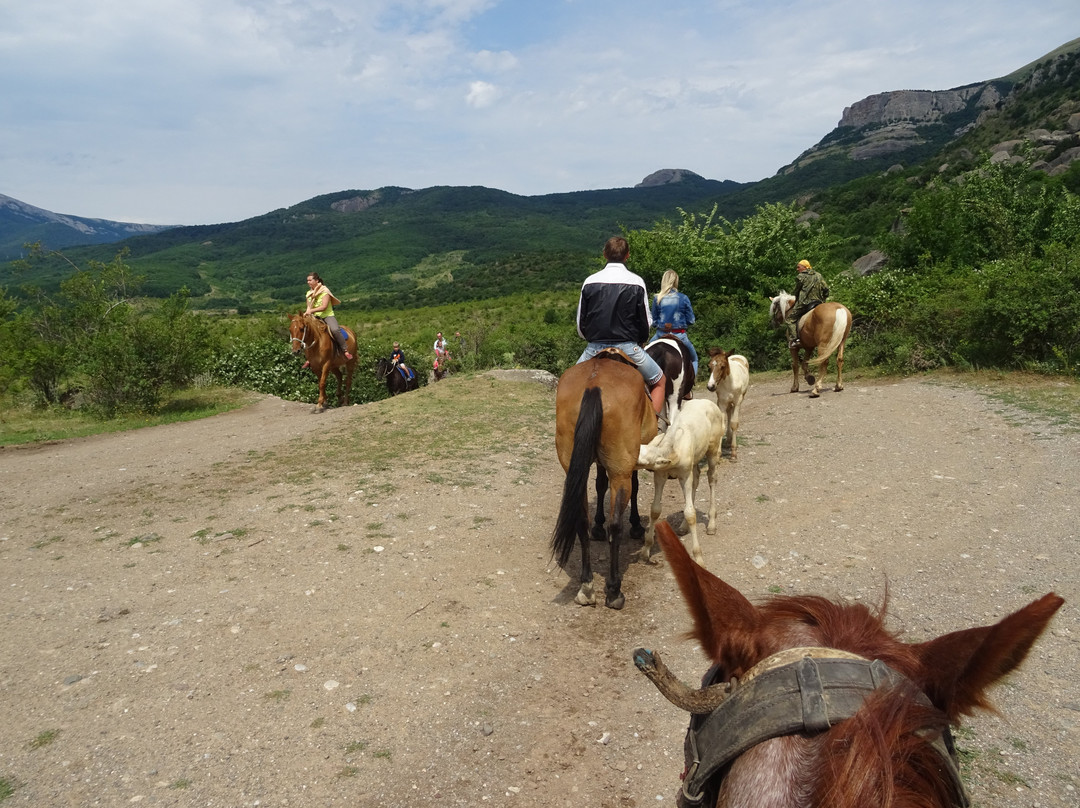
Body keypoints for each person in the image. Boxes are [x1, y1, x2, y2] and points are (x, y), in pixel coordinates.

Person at [575, 236, 667, 416]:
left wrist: (589, 338)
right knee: (659, 381)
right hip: (628, 347)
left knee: (567, 381)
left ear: (604, 255)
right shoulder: (637, 282)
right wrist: (641, 340)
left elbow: (581, 324)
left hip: (594, 348)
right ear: (627, 256)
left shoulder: (589, 281)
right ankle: (654, 426)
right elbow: (646, 323)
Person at [650, 269, 698, 375]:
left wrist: (662, 325)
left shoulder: (657, 298)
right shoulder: (684, 298)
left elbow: (653, 321)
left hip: (660, 334)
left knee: (645, 355)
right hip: (679, 335)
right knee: (694, 358)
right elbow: (691, 320)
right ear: (676, 281)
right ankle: (691, 381)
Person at [304, 272, 353, 360]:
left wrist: (311, 310)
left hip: (327, 316)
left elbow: (324, 306)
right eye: (307, 280)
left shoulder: (324, 291)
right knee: (304, 330)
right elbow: (309, 306)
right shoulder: (308, 293)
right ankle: (308, 356)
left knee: (335, 330)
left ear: (316, 280)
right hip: (314, 317)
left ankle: (345, 349)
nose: (308, 282)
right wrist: (307, 312)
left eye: (310, 280)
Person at [784, 259, 830, 348]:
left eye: (798, 267)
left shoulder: (800, 277)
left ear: (805, 267)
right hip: (818, 302)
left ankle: (795, 340)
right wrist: (824, 299)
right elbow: (826, 289)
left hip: (804, 303)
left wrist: (795, 296)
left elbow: (797, 290)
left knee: (790, 319)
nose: (797, 269)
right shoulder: (818, 275)